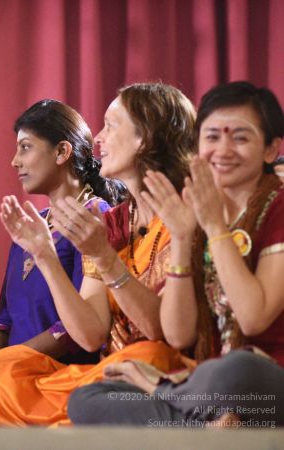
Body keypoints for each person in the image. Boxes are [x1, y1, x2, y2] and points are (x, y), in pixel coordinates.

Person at [0, 83, 197, 426]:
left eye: (110, 126)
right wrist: (45, 256)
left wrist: (106, 259)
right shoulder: (112, 224)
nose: (98, 138)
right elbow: (91, 333)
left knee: (143, 357)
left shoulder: (183, 214)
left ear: (143, 138)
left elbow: (161, 331)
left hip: (161, 369)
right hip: (109, 371)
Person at [68, 81, 284, 428]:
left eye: (240, 138)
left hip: (262, 381)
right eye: (212, 137)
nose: (223, 149)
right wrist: (183, 238)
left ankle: (180, 403)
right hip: (205, 386)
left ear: (271, 149)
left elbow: (252, 318)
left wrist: (215, 227)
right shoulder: (193, 209)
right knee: (87, 400)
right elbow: (179, 334)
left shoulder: (276, 207)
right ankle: (211, 429)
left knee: (238, 371)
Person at [0, 99, 124, 423]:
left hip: (56, 370)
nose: (15, 161)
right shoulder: (34, 223)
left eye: (25, 147)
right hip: (8, 365)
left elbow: (73, 330)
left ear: (62, 152)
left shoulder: (94, 217)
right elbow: (4, 319)